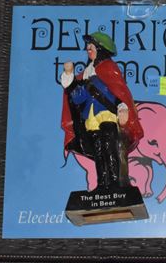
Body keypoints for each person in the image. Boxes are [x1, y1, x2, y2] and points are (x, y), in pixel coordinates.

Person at [60, 31, 143, 190]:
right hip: (91, 119)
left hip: (107, 116)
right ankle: (102, 184)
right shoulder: (86, 73)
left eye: (91, 46)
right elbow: (77, 97)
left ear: (100, 49)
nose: (88, 49)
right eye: (88, 46)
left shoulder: (108, 67)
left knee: (109, 147)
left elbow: (119, 91)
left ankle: (115, 182)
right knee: (98, 151)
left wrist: (123, 108)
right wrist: (69, 76)